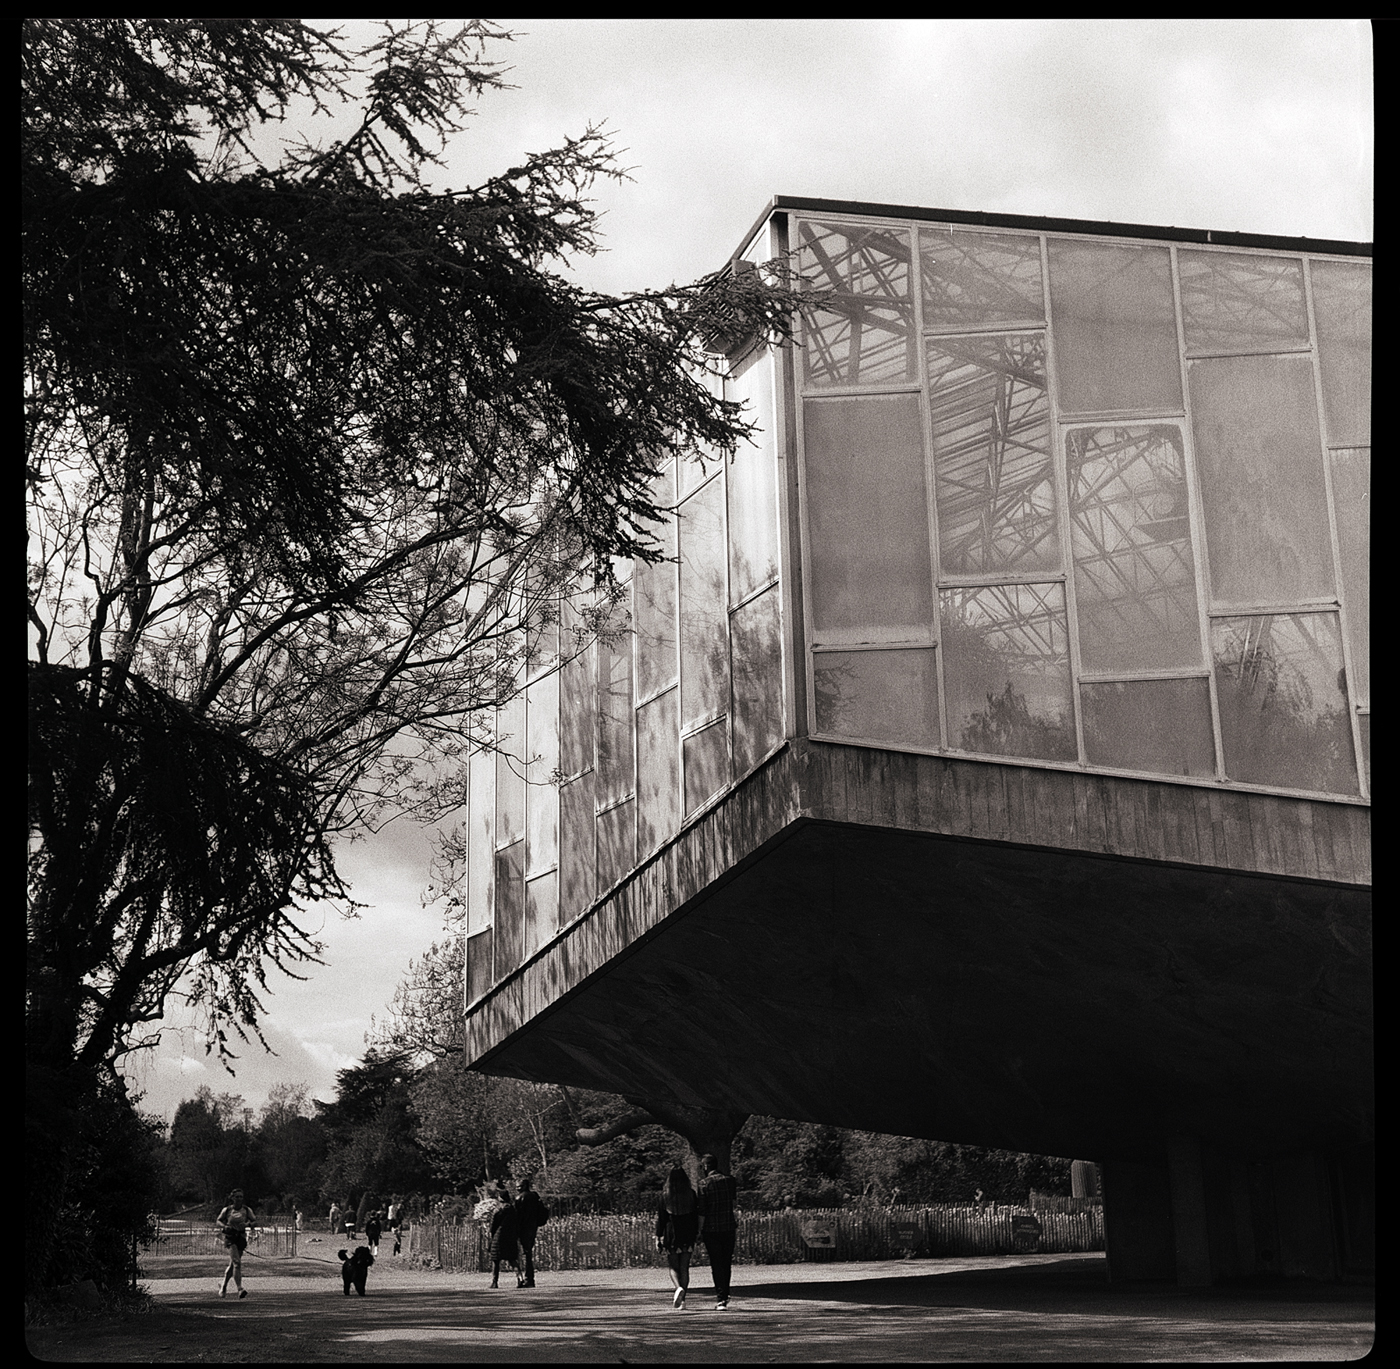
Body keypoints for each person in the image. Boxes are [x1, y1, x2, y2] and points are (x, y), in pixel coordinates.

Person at [697, 1153, 738, 1310]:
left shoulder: (703, 1184)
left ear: (706, 1167)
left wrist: (699, 1231)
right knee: (726, 1262)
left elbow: (702, 1211)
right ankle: (725, 1294)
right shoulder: (730, 1181)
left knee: (716, 1263)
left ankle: (720, 1297)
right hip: (728, 1226)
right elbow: (733, 1202)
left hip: (711, 1228)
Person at [655, 1167, 700, 1310]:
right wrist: (697, 1233)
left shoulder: (665, 1196)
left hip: (671, 1234)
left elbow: (661, 1219)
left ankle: (678, 1288)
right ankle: (684, 1299)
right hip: (687, 1234)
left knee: (673, 1266)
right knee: (684, 1268)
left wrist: (658, 1237)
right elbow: (695, 1216)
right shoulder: (691, 1195)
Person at [216, 1188, 258, 1299]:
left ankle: (223, 1285)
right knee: (236, 1262)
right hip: (230, 1238)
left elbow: (254, 1221)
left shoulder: (246, 1210)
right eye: (237, 1197)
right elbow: (218, 1221)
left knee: (233, 1264)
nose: (239, 1199)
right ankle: (240, 1289)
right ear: (232, 1198)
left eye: (241, 1197)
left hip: (241, 1237)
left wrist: (247, 1224)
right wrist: (225, 1227)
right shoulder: (227, 1210)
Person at [515, 1179, 550, 1288]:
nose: (517, 1188)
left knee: (526, 1254)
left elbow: (517, 1215)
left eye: (519, 1186)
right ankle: (529, 1278)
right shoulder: (535, 1197)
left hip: (523, 1228)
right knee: (528, 1253)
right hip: (532, 1227)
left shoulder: (519, 1198)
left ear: (524, 1186)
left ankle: (528, 1278)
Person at [488, 1195, 521, 1289]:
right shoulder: (513, 1210)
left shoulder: (498, 1210)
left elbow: (493, 1225)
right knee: (512, 1259)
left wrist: (492, 1234)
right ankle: (520, 1278)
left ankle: (495, 1282)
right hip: (511, 1236)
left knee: (496, 1260)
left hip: (498, 1235)